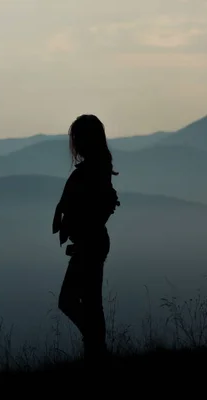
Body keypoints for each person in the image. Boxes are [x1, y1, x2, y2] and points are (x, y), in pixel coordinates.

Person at [52, 114, 120, 362]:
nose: (75, 144)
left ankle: (96, 347)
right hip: (91, 242)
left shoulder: (93, 171)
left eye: (78, 138)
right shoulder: (98, 167)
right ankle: (95, 350)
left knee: (70, 300)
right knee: (90, 303)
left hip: (89, 243)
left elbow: (97, 208)